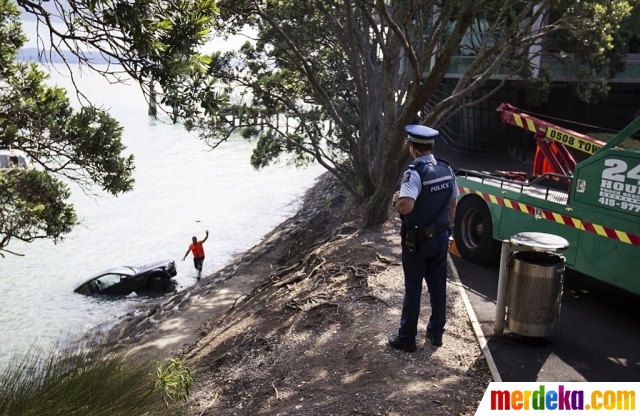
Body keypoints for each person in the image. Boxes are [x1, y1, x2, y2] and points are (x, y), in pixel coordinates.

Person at [388, 125, 458, 353]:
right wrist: (447, 230)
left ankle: (407, 338)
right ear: (430, 146)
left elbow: (406, 206)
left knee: (413, 289)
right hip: (440, 238)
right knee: (438, 288)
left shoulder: (414, 173)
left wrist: (395, 201)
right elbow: (453, 204)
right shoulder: (447, 170)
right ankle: (436, 334)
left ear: (413, 147)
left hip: (416, 241)